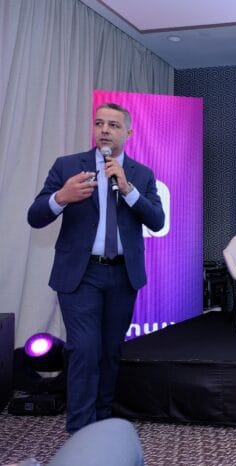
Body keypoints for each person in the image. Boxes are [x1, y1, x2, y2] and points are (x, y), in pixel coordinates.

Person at [27, 102, 165, 434]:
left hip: (122, 275)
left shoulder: (141, 174)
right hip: (81, 274)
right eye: (100, 123)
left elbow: (157, 221)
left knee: (109, 351)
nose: (104, 129)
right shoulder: (67, 166)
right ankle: (80, 430)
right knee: (85, 349)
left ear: (128, 132)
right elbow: (35, 216)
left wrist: (128, 190)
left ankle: (100, 426)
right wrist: (62, 196)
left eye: (113, 125)